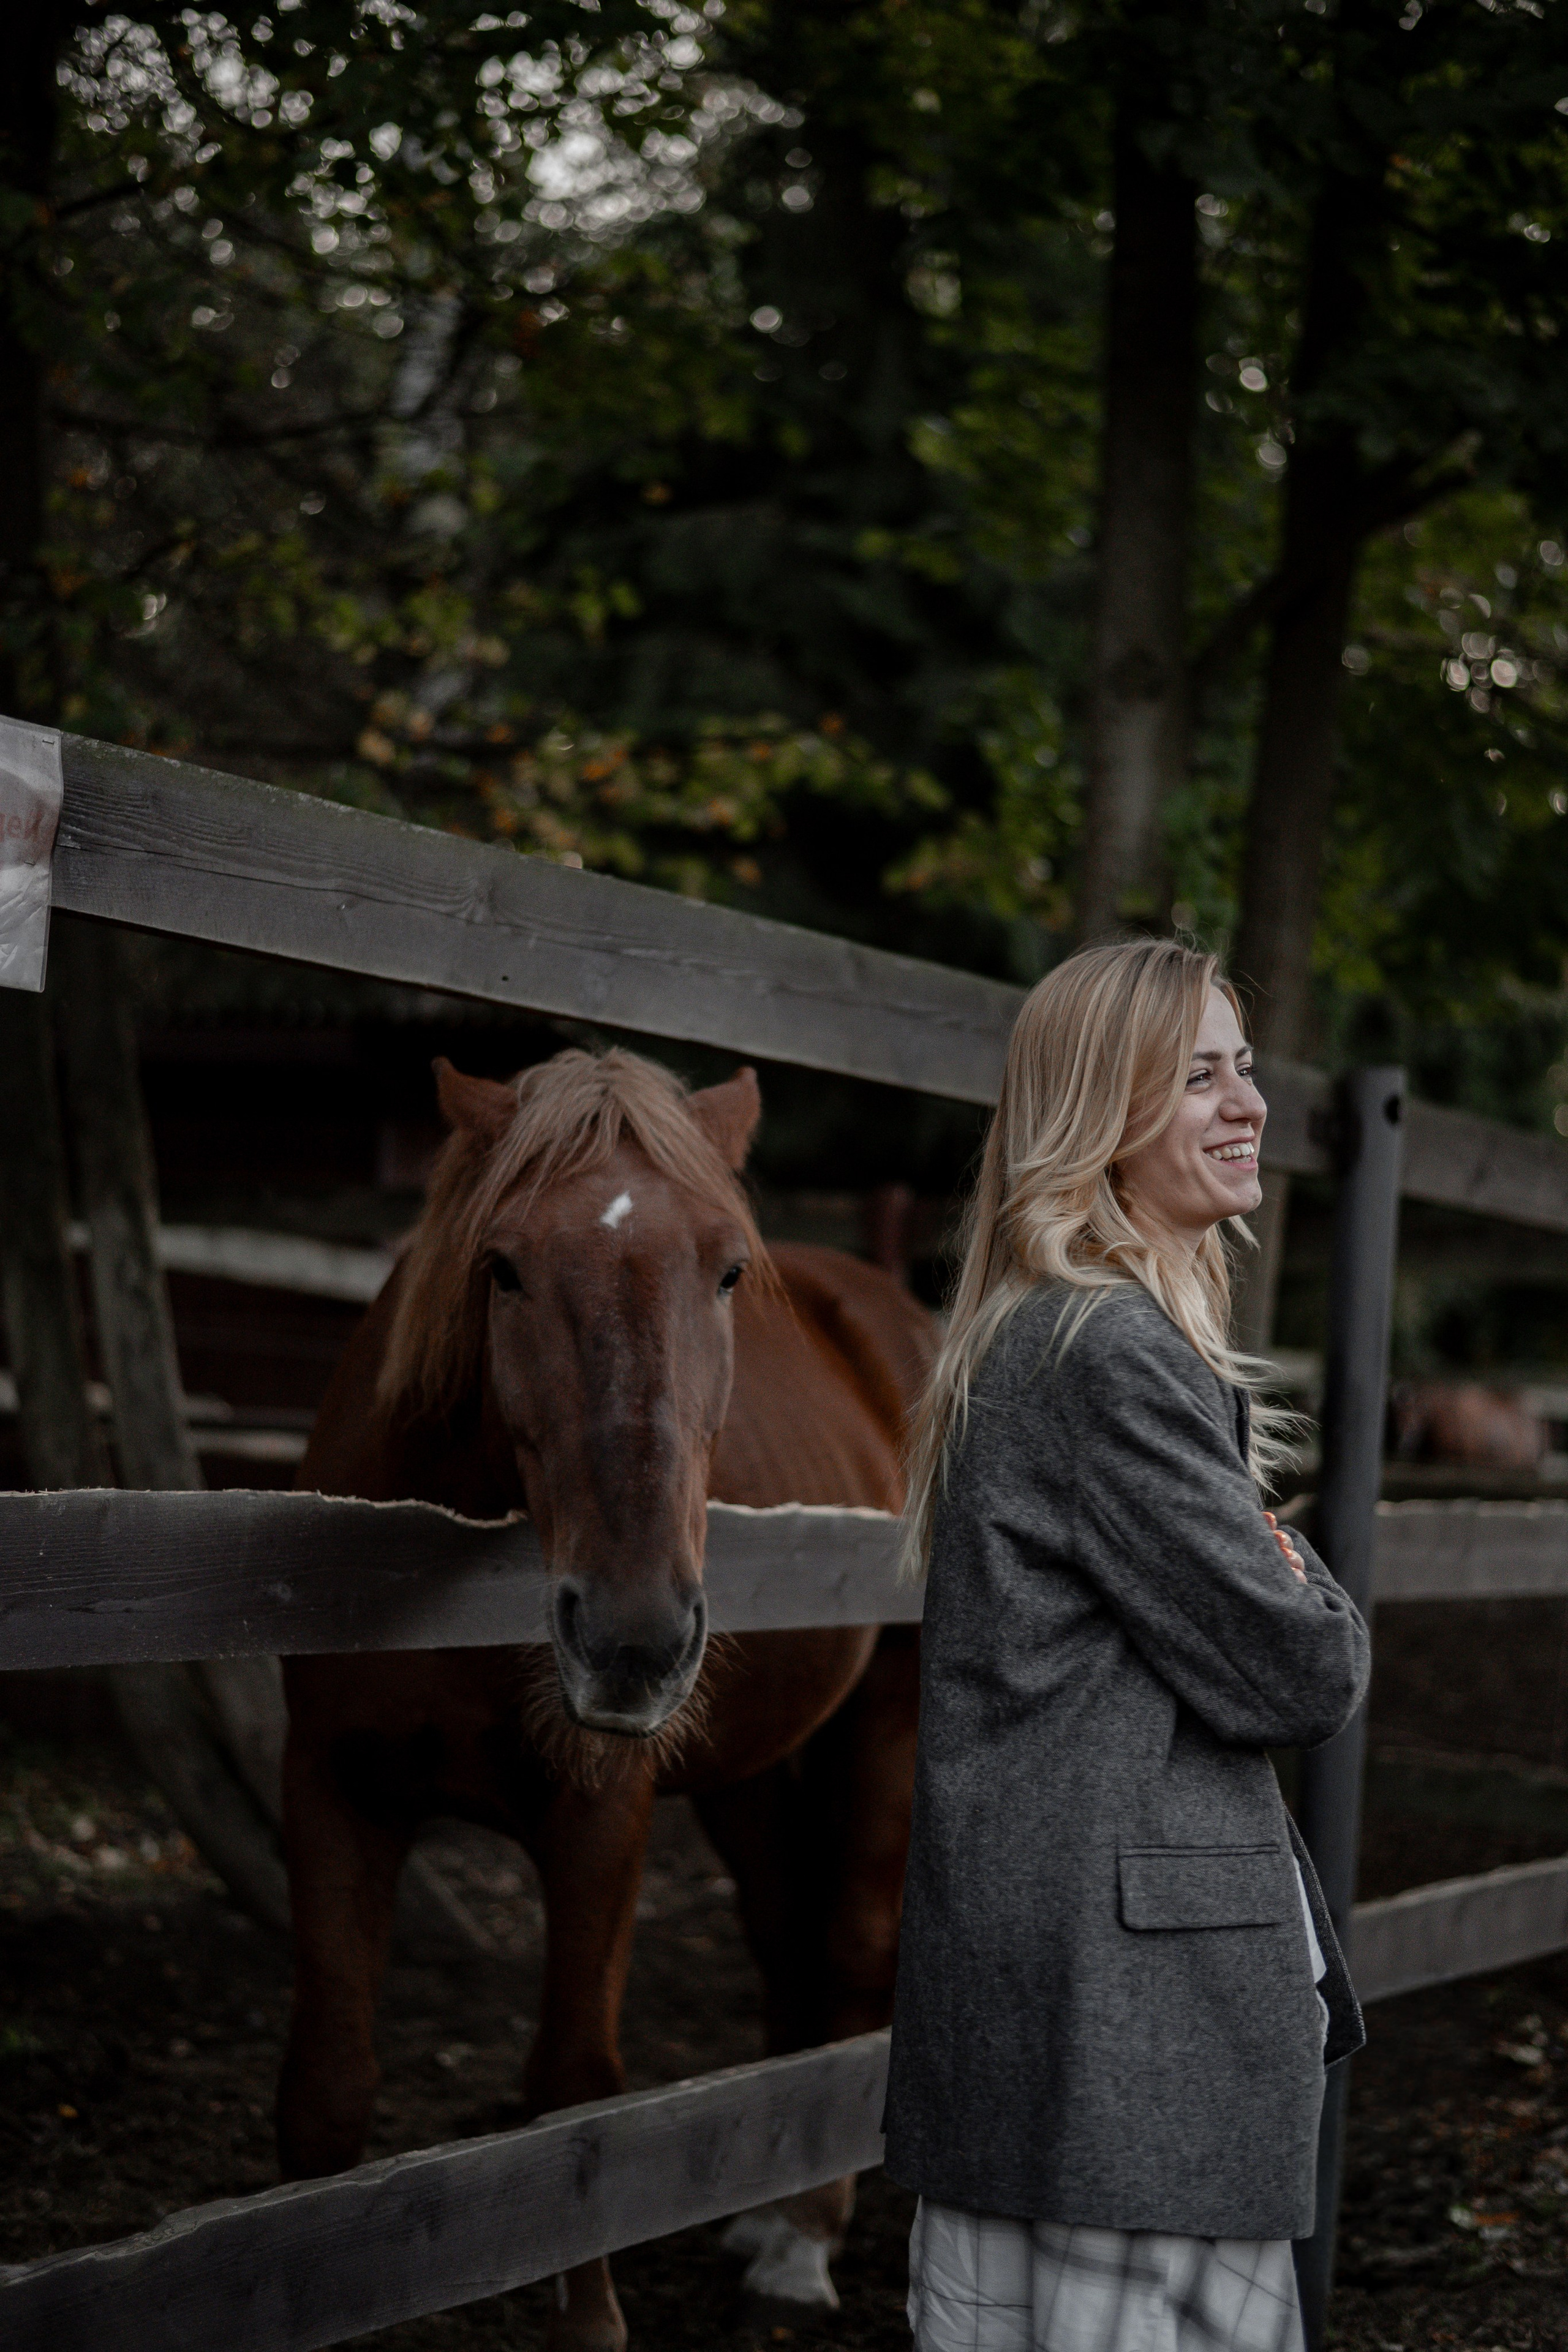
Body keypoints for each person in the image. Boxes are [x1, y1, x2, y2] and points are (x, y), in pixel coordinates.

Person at [883, 938, 1370, 2352]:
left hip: (1063, 1996)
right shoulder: (1108, 1354)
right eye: (1195, 1079)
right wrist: (1291, 1564)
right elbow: (1302, 1670)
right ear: (1097, 1119)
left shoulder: (1044, 1336)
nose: (1245, 1104)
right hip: (1119, 2012)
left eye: (1244, 1068)